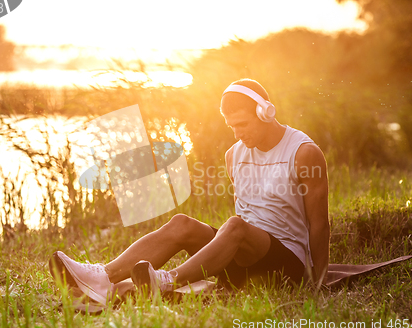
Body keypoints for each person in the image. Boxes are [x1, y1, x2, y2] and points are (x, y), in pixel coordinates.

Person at [50, 78, 330, 303]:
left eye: (242, 124)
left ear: (265, 113)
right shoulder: (234, 155)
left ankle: (166, 280)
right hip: (244, 262)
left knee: (235, 226)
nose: (237, 134)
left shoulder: (303, 153)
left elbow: (319, 225)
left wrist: (318, 280)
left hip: (286, 265)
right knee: (182, 223)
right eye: (231, 126)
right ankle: (102, 276)